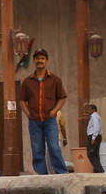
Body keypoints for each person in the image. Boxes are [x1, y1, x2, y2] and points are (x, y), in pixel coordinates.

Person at [17, 48, 68, 176]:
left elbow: (62, 97)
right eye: (37, 58)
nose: (40, 61)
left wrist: (55, 110)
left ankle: (61, 173)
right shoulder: (28, 81)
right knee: (37, 149)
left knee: (54, 147)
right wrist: (28, 113)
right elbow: (22, 100)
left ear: (46, 61)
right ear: (34, 61)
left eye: (42, 58)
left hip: (49, 120)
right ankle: (42, 175)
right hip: (34, 121)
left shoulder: (55, 80)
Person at [85, 104, 104, 172]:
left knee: (91, 154)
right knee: (95, 154)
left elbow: (96, 127)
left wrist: (93, 138)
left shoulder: (94, 116)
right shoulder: (94, 116)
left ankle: (100, 170)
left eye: (89, 109)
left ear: (93, 109)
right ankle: (97, 170)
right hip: (95, 136)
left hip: (94, 136)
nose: (88, 111)